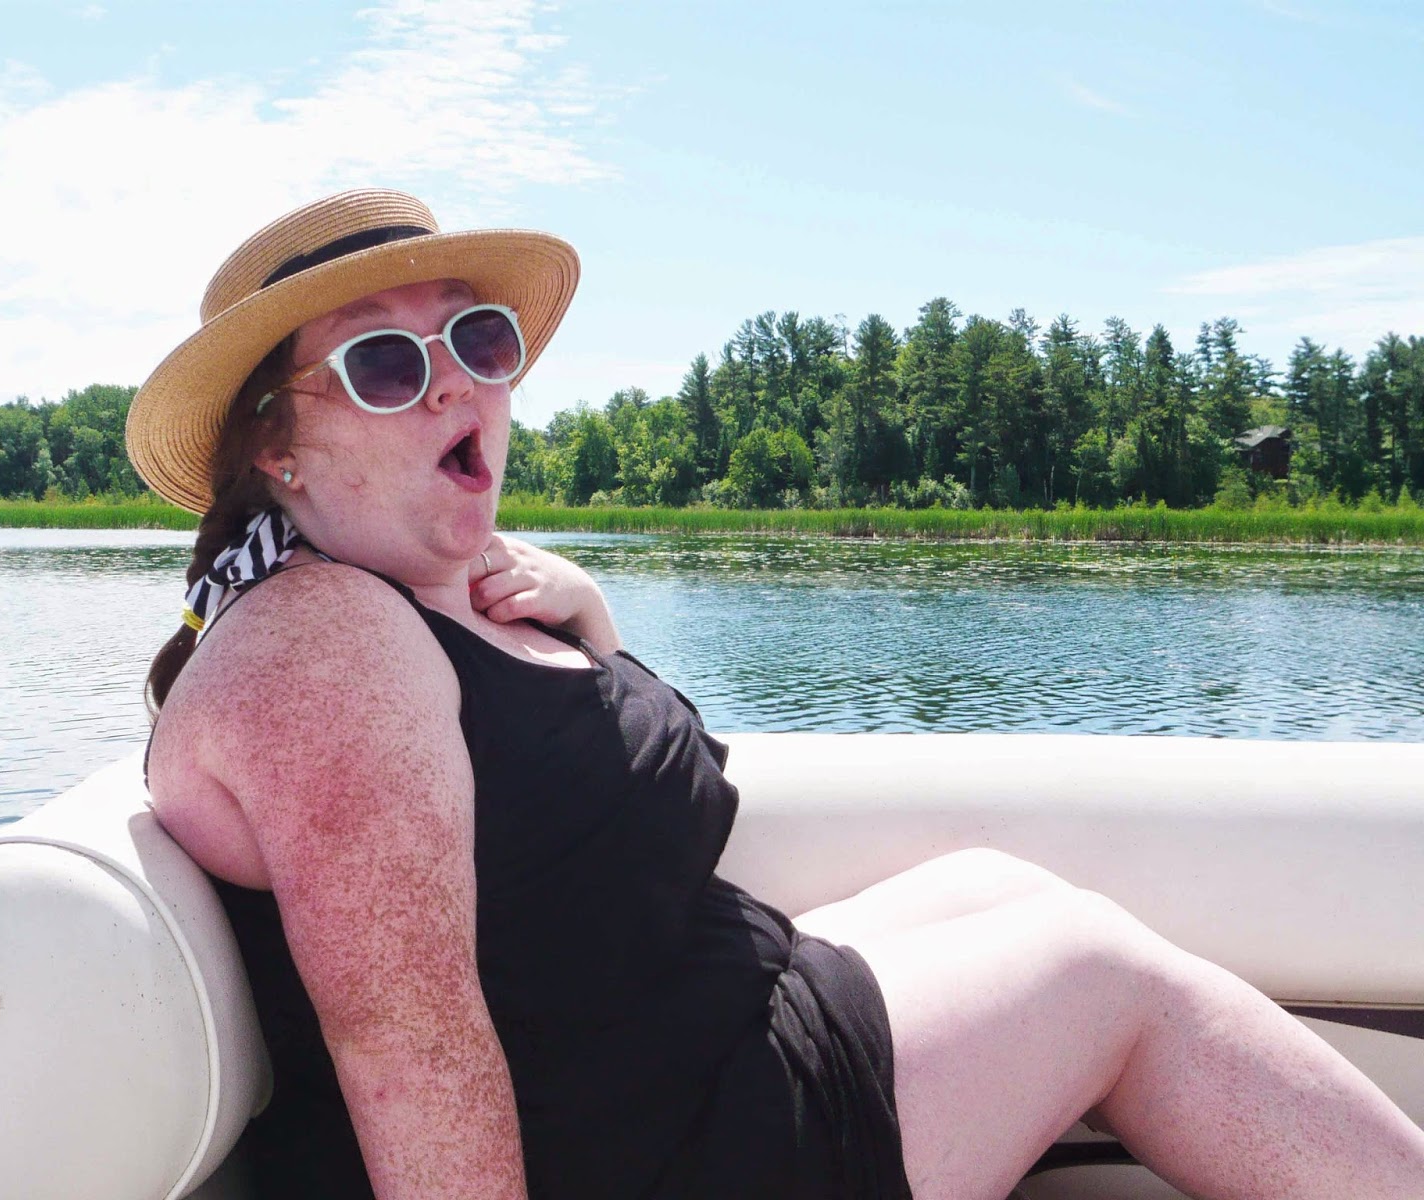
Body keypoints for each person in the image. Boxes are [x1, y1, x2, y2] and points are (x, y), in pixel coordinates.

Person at [131, 189, 1424, 1200]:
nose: (459, 382)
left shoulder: (438, 595)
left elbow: (574, 821)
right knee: (1100, 975)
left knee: (1005, 889)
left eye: (477, 338)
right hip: (657, 1149)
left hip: (684, 1038)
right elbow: (408, 1053)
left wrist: (589, 632)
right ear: (278, 447)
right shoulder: (326, 648)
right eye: (386, 365)